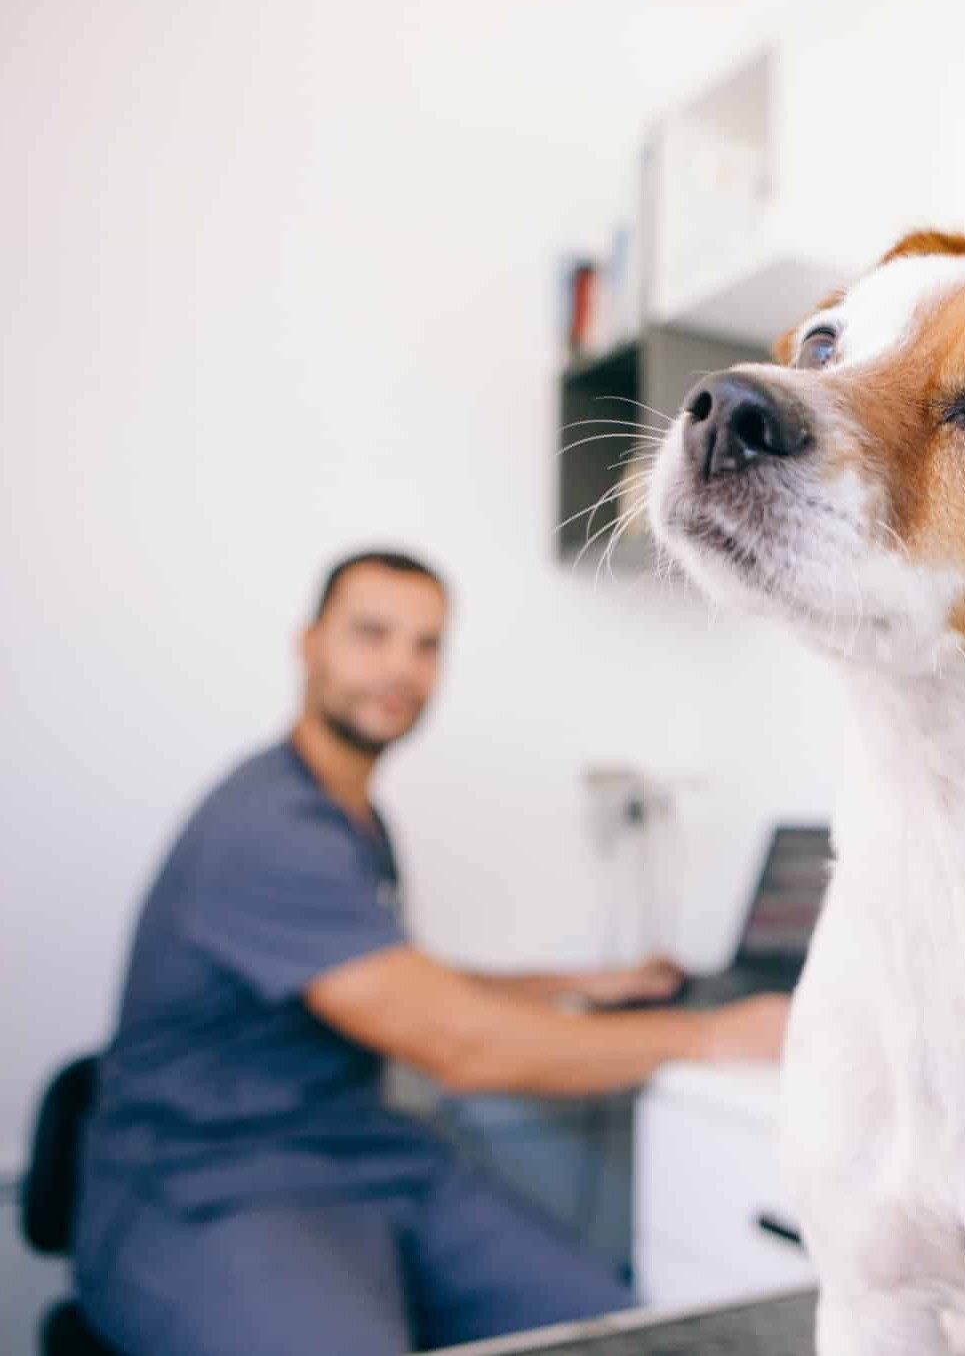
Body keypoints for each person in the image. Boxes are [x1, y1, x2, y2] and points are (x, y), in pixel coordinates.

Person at [74, 549, 789, 1356]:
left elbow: (405, 983)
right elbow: (462, 1044)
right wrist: (711, 1033)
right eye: (371, 634)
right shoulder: (269, 827)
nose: (400, 667)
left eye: (426, 644)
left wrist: (586, 982)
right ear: (308, 644)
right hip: (215, 1185)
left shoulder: (356, 821)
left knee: (619, 1330)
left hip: (368, 1155)